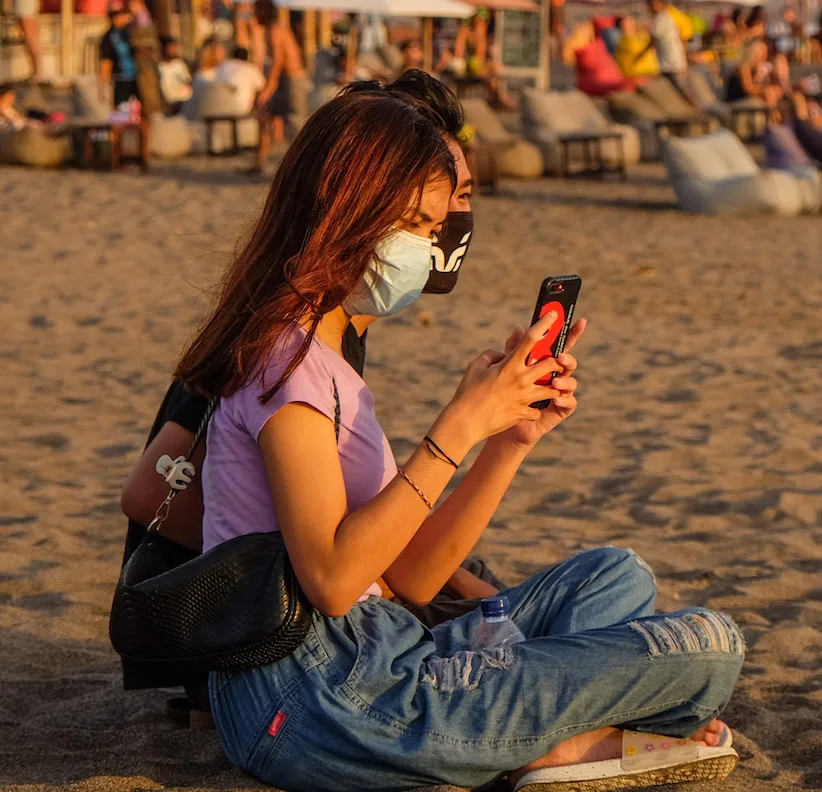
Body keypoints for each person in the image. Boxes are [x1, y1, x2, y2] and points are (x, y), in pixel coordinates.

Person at [167, 83, 743, 792]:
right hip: (311, 696)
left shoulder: (325, 360)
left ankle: (533, 740)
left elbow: (409, 576)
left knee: (614, 576)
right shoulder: (285, 369)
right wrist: (458, 424)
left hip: (379, 657)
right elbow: (335, 580)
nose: (431, 246)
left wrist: (505, 440)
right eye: (413, 223)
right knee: (709, 646)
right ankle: (553, 748)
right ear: (344, 212)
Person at [119, 70, 481, 719]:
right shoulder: (276, 349)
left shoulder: (339, 333)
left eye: (460, 200)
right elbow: (148, 493)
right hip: (242, 634)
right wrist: (297, 553)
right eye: (426, 210)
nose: (449, 227)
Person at [252, 0, 310, 172]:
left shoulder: (275, 30)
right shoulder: (271, 29)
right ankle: (260, 162)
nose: (255, 15)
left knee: (295, 124)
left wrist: (268, 88)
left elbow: (278, 61)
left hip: (292, 81)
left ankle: (302, 169)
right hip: (284, 81)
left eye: (256, 11)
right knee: (264, 113)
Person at [639, 0, 689, 98]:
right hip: (673, 60)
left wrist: (639, 56)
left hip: (669, 62)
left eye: (652, 5)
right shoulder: (666, 17)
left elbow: (653, 40)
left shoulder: (660, 19)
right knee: (676, 89)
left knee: (677, 90)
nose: (650, 8)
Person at [725, 40, 783, 106]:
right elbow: (749, 89)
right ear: (753, 54)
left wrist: (762, 78)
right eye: (761, 53)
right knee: (768, 93)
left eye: (765, 53)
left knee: (773, 91)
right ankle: (774, 115)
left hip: (746, 99)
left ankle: (775, 115)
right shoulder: (744, 68)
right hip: (735, 100)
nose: (764, 57)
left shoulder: (753, 69)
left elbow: (758, 86)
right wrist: (765, 90)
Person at [215, 45, 265, 115]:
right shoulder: (251, 68)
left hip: (221, 107)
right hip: (244, 110)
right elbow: (261, 87)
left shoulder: (223, 65)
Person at [158, 36, 192, 112]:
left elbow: (188, 81)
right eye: (171, 48)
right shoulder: (159, 66)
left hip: (182, 101)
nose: (174, 50)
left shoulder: (179, 65)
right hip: (168, 102)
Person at [12, 0, 40, 80]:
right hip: (25, 5)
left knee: (29, 37)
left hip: (25, 4)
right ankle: (36, 71)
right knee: (30, 36)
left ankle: (37, 72)